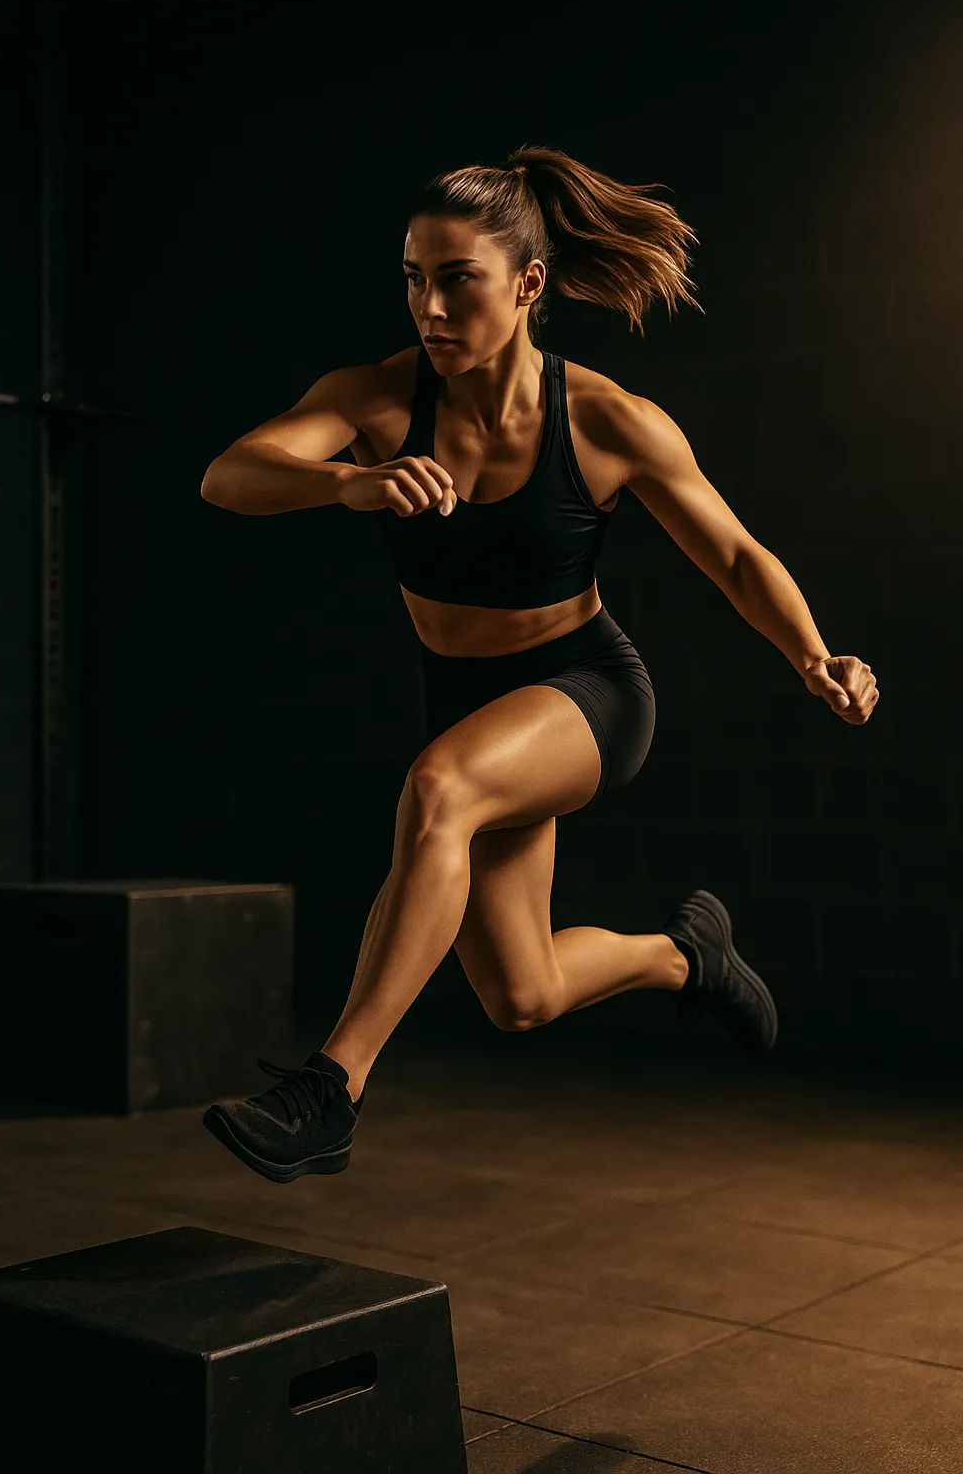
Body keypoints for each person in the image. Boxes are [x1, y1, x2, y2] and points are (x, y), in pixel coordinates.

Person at [198, 145, 879, 1185]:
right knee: (521, 996)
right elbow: (230, 476)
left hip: (588, 691)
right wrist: (348, 484)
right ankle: (685, 957)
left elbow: (736, 555)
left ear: (526, 284)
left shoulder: (605, 420)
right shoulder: (377, 401)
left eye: (455, 278)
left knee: (439, 787)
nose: (428, 305)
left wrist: (813, 653)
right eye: (412, 277)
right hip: (469, 700)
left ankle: (329, 1089)